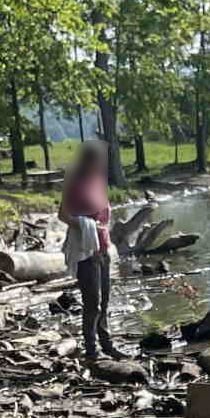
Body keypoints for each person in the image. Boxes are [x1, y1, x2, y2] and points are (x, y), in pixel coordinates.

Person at [58, 142, 122, 360]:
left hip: (103, 247)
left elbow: (104, 212)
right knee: (92, 303)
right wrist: (87, 225)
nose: (102, 163)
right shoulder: (73, 182)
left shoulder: (99, 179)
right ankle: (92, 351)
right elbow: (63, 216)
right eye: (99, 159)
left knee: (105, 302)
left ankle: (107, 345)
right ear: (88, 159)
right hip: (85, 250)